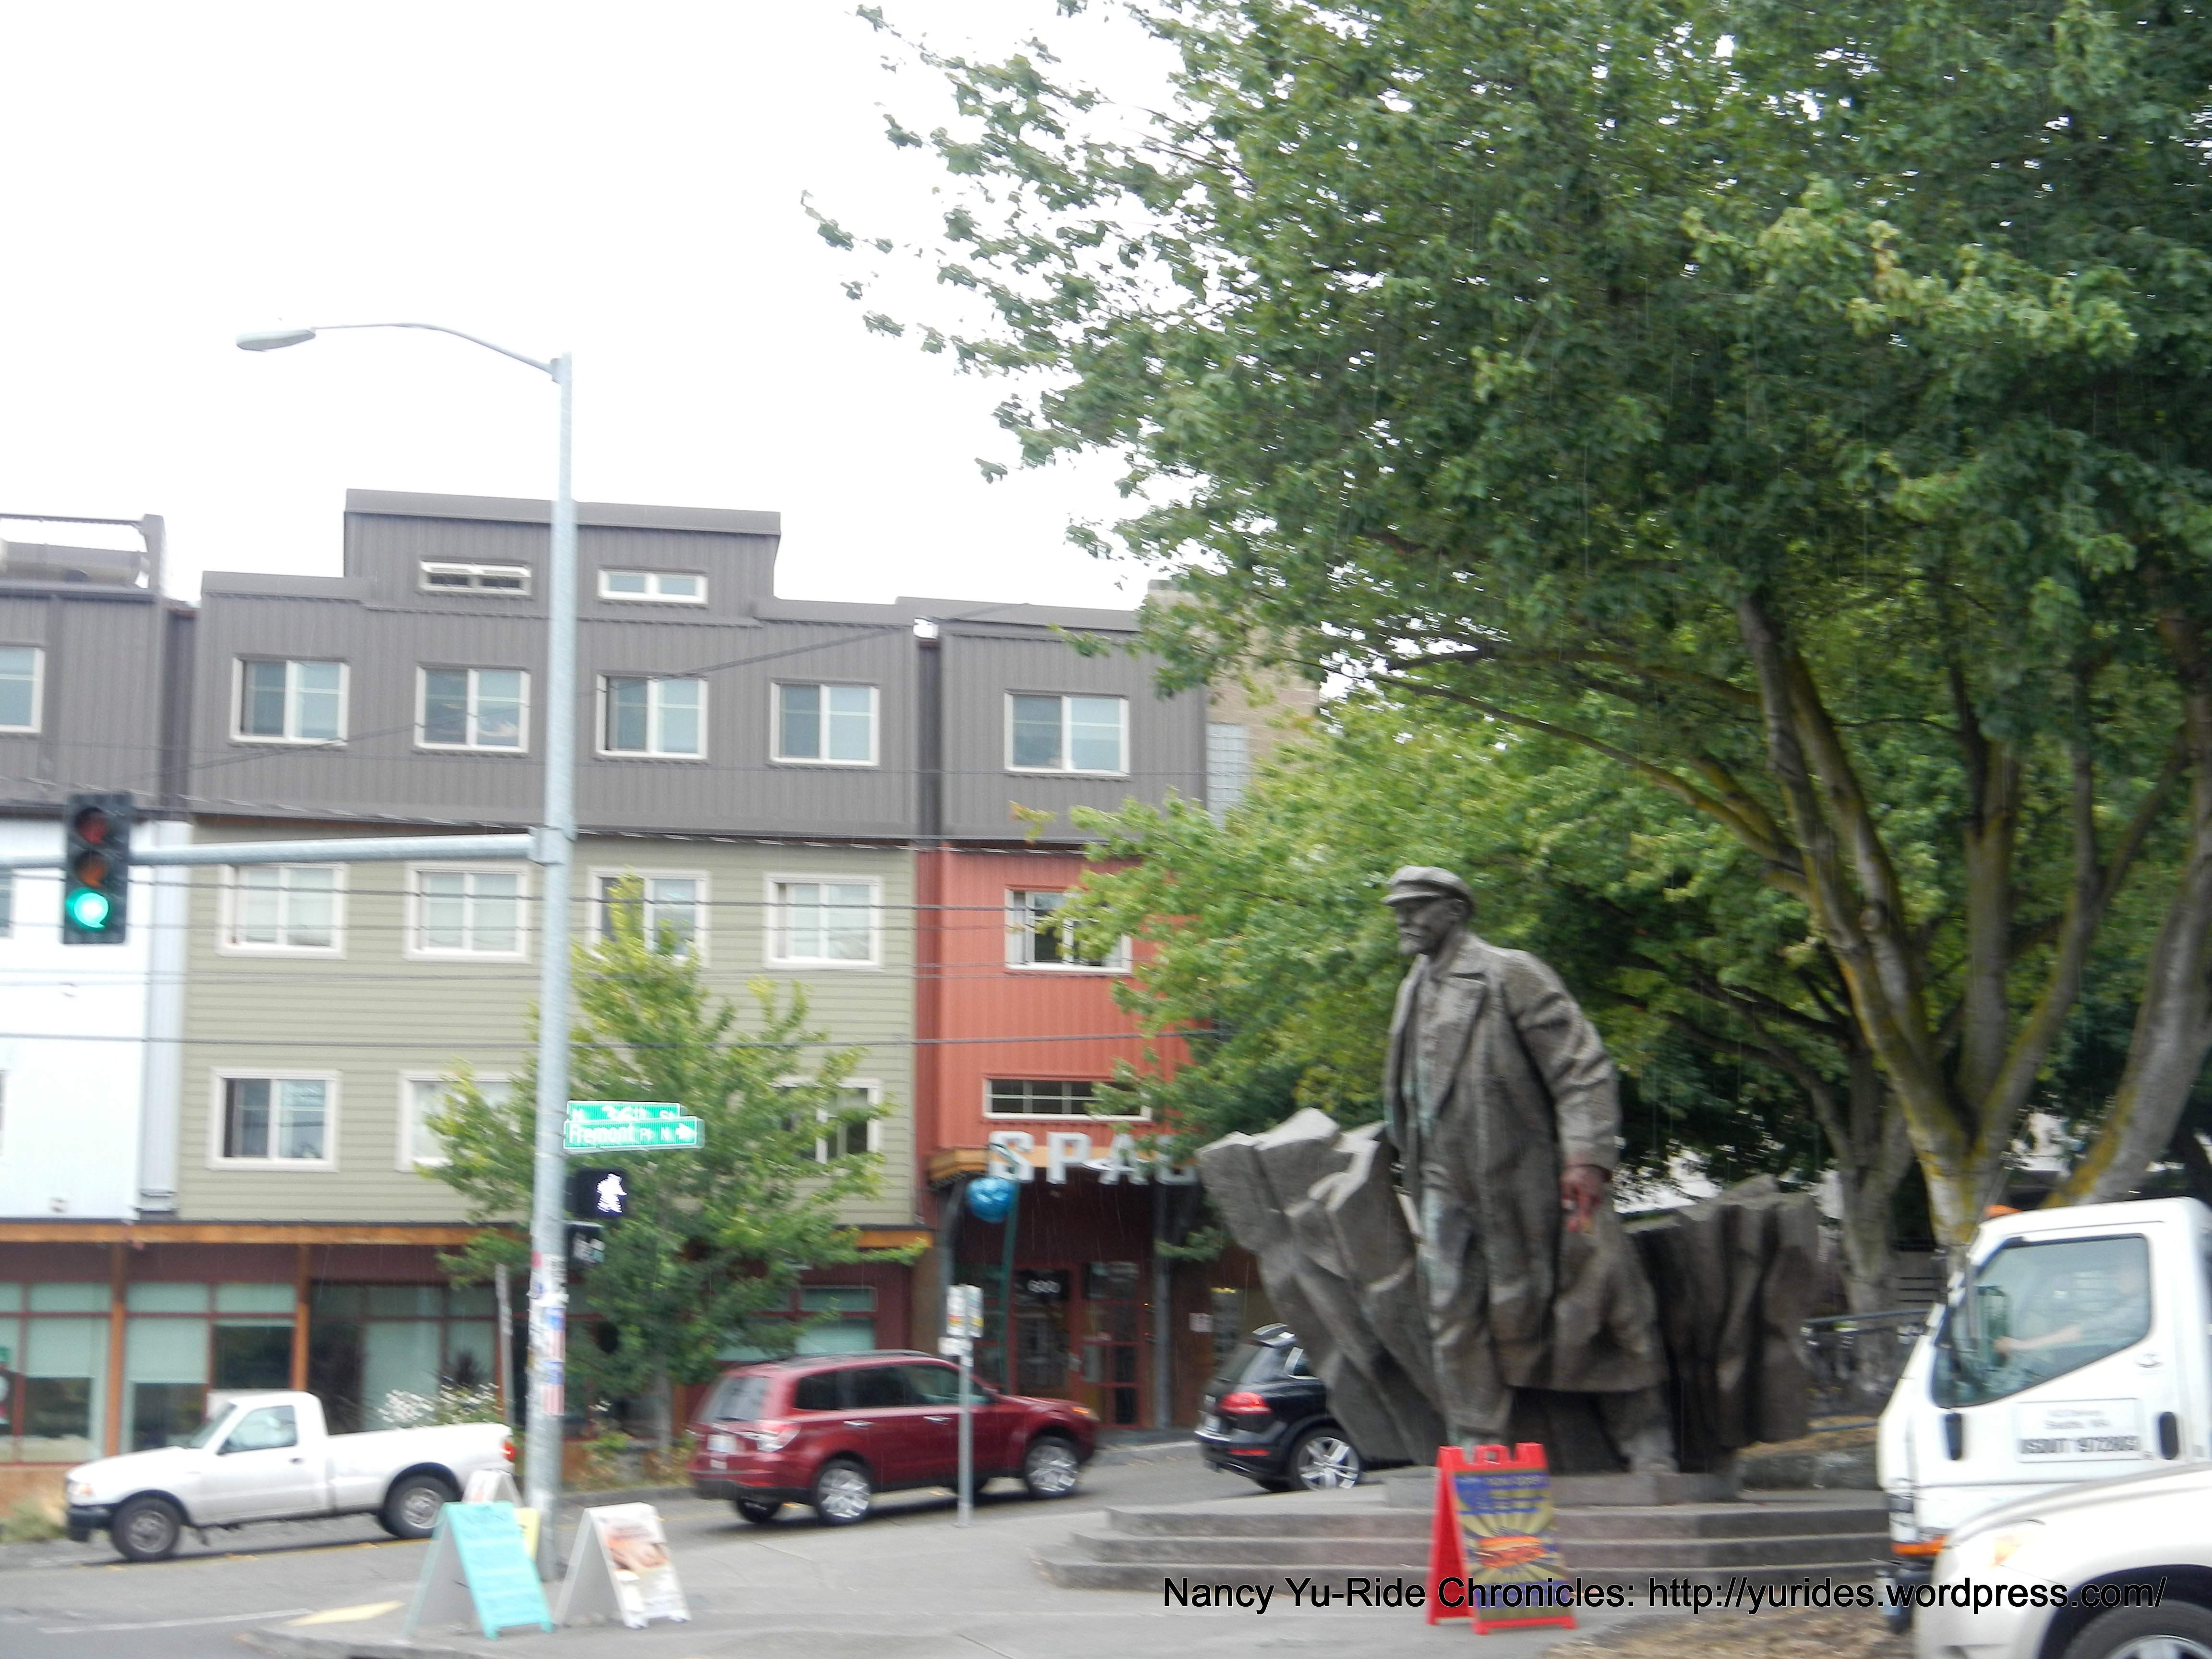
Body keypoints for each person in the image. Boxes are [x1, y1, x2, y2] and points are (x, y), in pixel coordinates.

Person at [1380, 866, 1674, 1470]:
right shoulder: (1413, 988)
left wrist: (1586, 1158)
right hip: (1442, 1179)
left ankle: (1645, 1438)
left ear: (1455, 911)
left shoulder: (1509, 972)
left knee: (1596, 1303)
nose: (1403, 918)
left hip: (1525, 1176)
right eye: (1398, 908)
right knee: (1451, 1309)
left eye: (1418, 906)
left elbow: (1580, 1066)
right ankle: (1479, 1443)